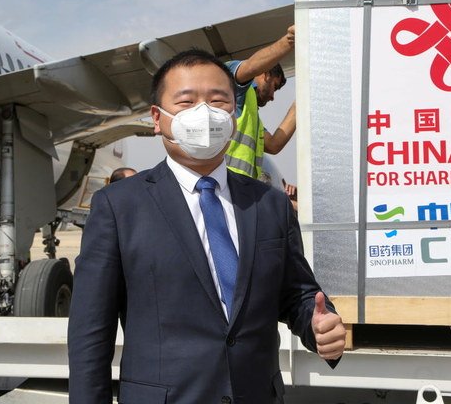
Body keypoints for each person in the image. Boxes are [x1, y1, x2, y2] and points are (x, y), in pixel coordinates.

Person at [67, 49, 345, 404]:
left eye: (218, 100)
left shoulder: (270, 204)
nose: (205, 113)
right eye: (186, 102)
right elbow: (91, 333)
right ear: (157, 118)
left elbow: (297, 294)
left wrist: (319, 326)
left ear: (233, 112)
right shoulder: (119, 207)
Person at [225, 25, 296, 180]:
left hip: (241, 191)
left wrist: (300, 105)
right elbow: (250, 67)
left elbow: (273, 144)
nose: (272, 97)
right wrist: (289, 41)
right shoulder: (232, 85)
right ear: (266, 73)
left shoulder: (250, 114)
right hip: (224, 186)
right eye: (274, 87)